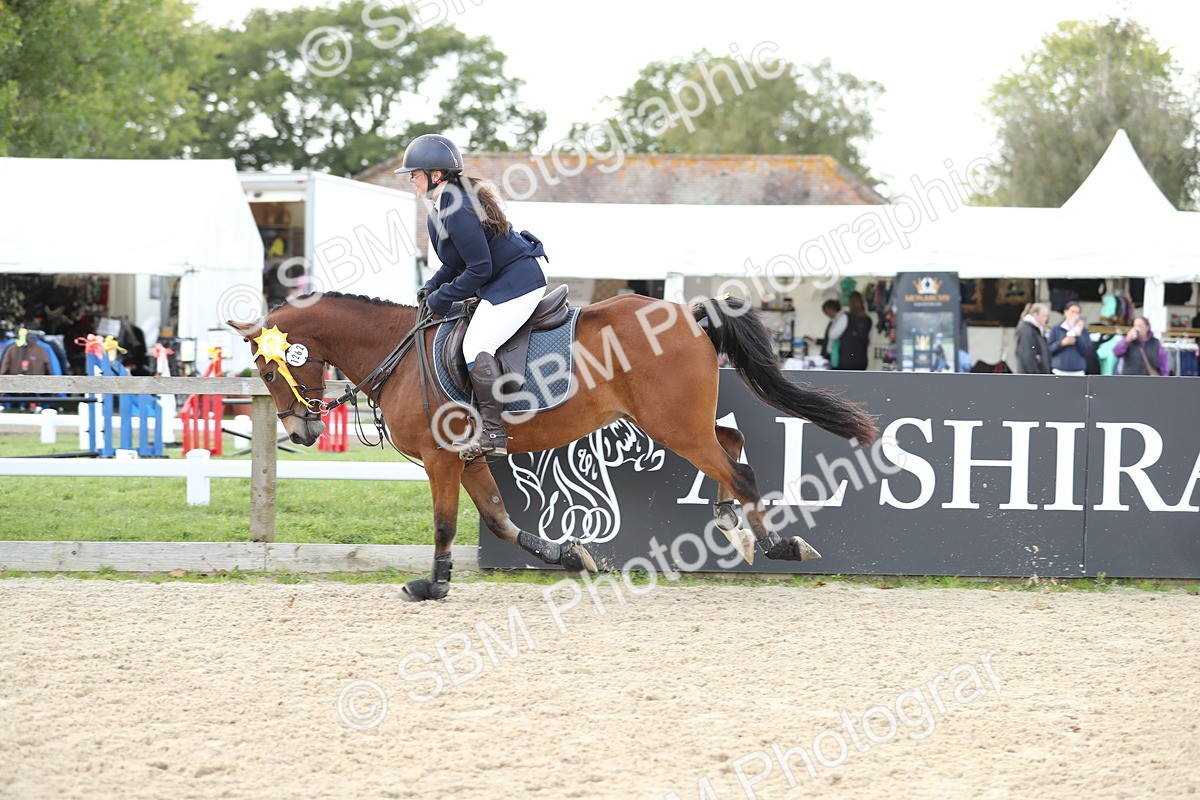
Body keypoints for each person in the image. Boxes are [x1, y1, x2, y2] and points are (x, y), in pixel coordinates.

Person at [395, 133, 549, 458]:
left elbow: (479, 268)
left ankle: (493, 433)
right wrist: (431, 287)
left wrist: (442, 298)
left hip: (518, 283)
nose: (411, 179)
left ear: (435, 175)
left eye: (415, 174)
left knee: (476, 345)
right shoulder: (441, 207)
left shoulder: (457, 208)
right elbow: (456, 263)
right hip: (501, 279)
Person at [1048, 301, 1093, 376]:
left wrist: (1079, 335)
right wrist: (1062, 343)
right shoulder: (1056, 329)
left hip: (1078, 371)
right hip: (1059, 370)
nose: (1074, 314)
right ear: (1065, 312)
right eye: (1072, 311)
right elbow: (1049, 349)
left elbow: (1087, 351)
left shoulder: (1084, 331)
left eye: (1077, 312)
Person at [834, 291, 872, 370]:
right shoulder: (868, 320)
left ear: (850, 302)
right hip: (862, 360)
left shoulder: (845, 317)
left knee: (844, 382)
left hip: (846, 360)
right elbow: (869, 340)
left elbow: (833, 335)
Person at [1015, 302, 1051, 374]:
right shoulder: (1027, 330)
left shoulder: (1036, 330)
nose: (1046, 319)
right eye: (1044, 315)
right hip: (1031, 377)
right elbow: (1028, 354)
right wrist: (1035, 374)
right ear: (1035, 314)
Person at [817, 299, 845, 368]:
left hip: (836, 355)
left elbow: (832, 337)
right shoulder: (834, 321)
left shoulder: (841, 319)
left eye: (826, 311)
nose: (827, 314)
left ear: (830, 309)